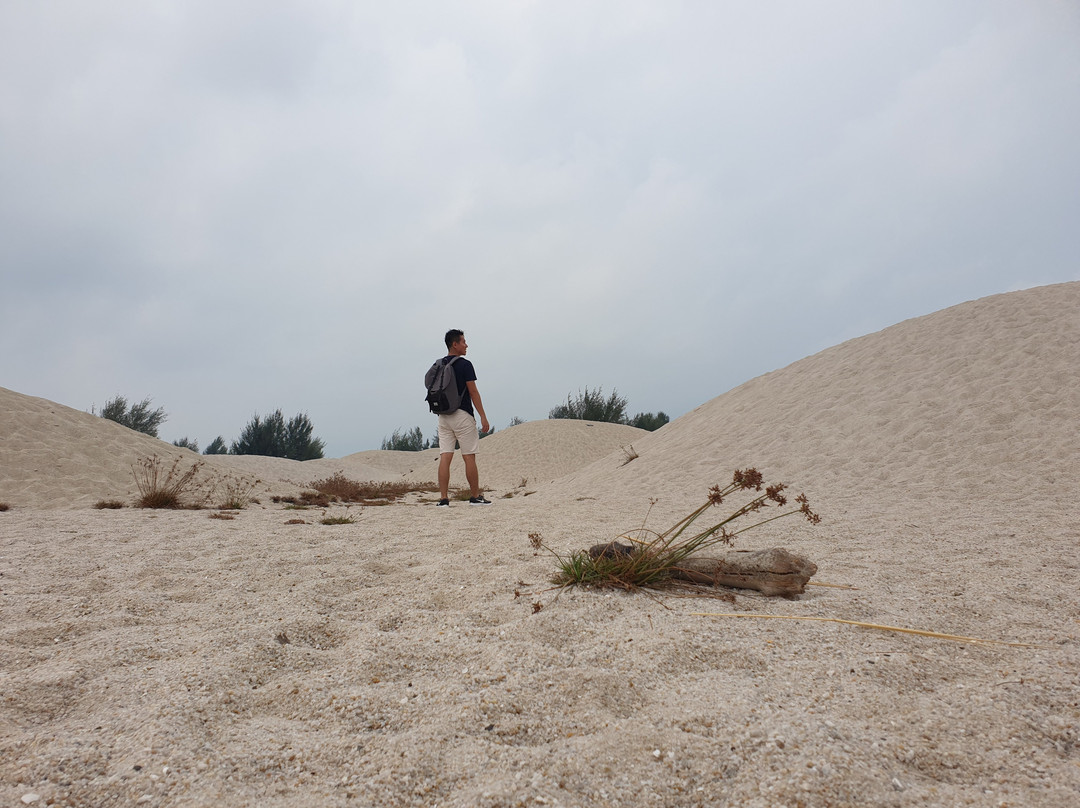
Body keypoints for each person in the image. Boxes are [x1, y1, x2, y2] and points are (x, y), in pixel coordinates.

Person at [436, 329, 491, 506]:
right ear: (455, 344)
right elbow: (473, 392)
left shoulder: (439, 365)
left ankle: (443, 499)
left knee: (445, 456)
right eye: (463, 342)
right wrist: (483, 416)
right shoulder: (465, 365)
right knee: (469, 457)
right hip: (462, 415)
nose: (466, 345)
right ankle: (474, 497)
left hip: (443, 416)